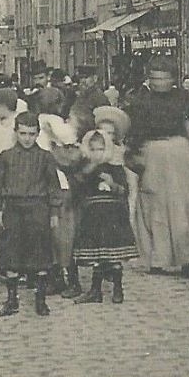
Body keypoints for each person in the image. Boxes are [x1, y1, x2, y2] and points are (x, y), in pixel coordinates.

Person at [124, 59, 189, 278]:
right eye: (154, 78)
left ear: (173, 79)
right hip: (152, 155)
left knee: (186, 207)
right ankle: (158, 257)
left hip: (181, 157)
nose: (159, 82)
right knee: (155, 208)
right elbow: (134, 132)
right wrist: (134, 156)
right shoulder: (140, 101)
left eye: (164, 77)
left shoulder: (183, 99)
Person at [0, 110, 62, 316]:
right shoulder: (6, 157)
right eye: (23, 133)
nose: (27, 138)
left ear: (38, 133)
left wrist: (54, 212)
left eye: (32, 134)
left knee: (40, 255)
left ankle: (40, 301)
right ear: (16, 132)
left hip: (38, 209)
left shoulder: (45, 157)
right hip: (13, 209)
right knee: (10, 254)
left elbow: (53, 187)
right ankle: (12, 300)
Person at [71, 128, 138, 304]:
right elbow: (77, 189)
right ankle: (95, 289)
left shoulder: (114, 168)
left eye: (100, 149)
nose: (97, 154)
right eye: (92, 150)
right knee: (97, 255)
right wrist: (87, 172)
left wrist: (112, 184)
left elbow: (125, 191)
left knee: (113, 254)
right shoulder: (84, 170)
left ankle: (118, 288)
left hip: (112, 215)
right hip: (93, 215)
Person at [40, 114, 85, 297]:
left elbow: (69, 160)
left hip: (64, 190)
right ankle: (56, 278)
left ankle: (73, 281)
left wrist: (55, 142)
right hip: (48, 190)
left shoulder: (62, 140)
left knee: (65, 237)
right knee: (51, 237)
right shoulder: (44, 134)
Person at [68, 64, 108, 136]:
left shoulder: (99, 97)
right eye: (80, 78)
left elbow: (104, 122)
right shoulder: (80, 96)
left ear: (95, 78)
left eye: (86, 77)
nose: (82, 81)